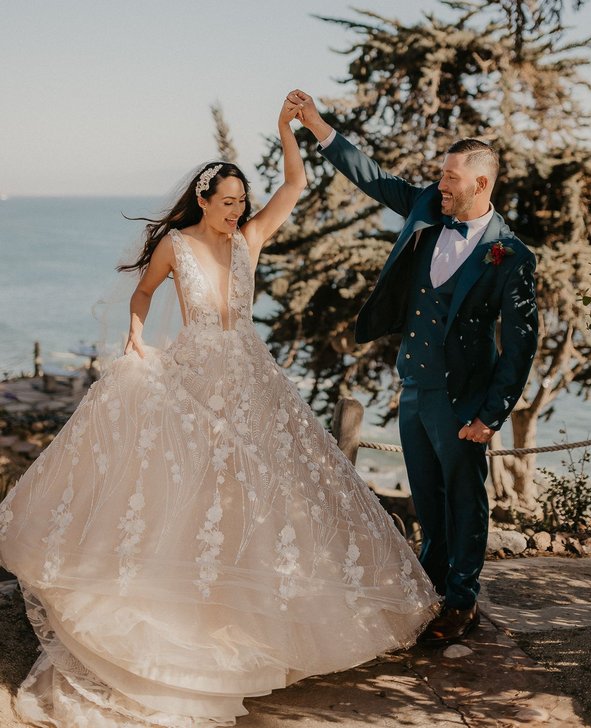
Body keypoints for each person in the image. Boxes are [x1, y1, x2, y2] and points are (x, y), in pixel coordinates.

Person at [0, 96, 439, 728]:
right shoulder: (175, 245)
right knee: (196, 485)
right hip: (195, 375)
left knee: (262, 488)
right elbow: (143, 292)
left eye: (241, 202)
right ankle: (190, 609)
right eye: (227, 202)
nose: (237, 211)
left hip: (252, 376)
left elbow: (295, 185)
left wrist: (289, 130)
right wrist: (135, 335)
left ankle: (255, 617)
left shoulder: (249, 240)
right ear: (203, 200)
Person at [288, 89, 538, 647]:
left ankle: (462, 599)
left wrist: (492, 416)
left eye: (451, 177)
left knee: (464, 499)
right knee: (427, 496)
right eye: (441, 175)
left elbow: (521, 346)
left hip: (463, 400)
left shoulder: (511, 256)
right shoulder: (428, 207)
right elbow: (373, 177)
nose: (440, 184)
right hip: (415, 386)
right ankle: (431, 584)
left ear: (481, 183)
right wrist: (317, 126)